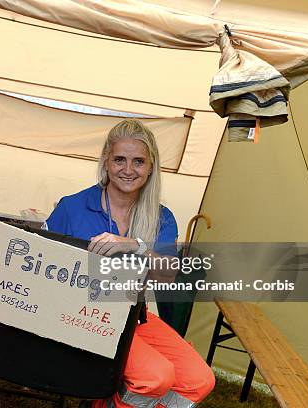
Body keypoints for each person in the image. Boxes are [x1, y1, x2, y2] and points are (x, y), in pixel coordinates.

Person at [46, 119, 215, 408]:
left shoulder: (162, 217)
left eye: (138, 161)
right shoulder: (72, 207)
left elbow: (168, 277)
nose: (128, 169)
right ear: (106, 162)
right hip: (79, 317)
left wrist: (134, 246)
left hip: (133, 317)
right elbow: (42, 268)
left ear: (151, 167)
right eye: (119, 159)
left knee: (199, 381)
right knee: (155, 377)